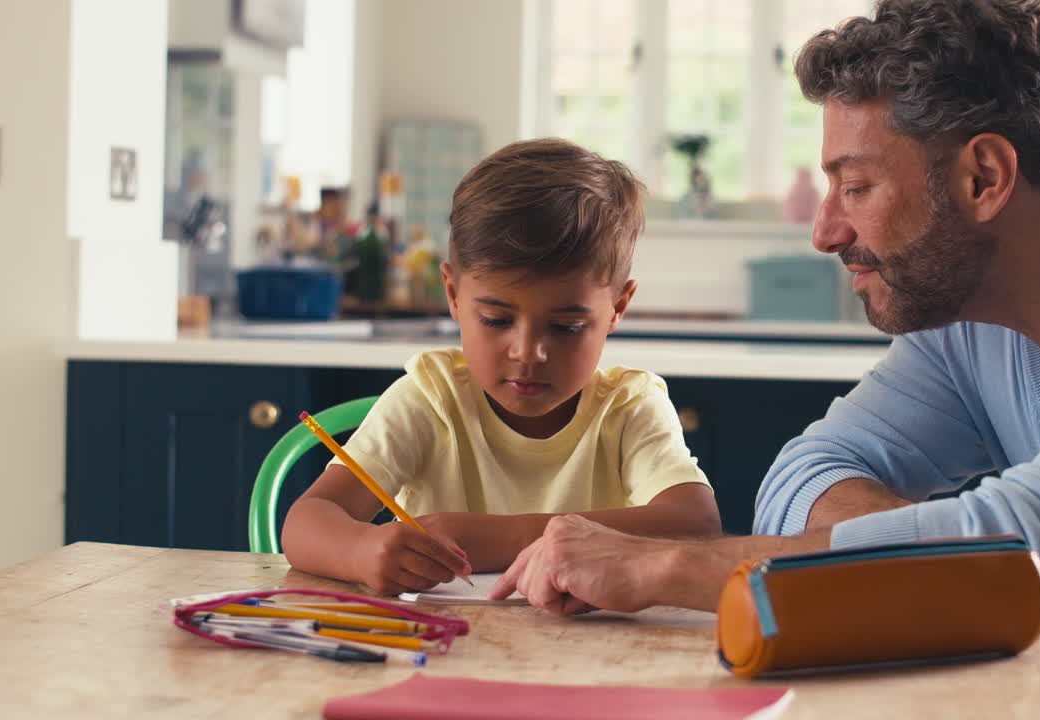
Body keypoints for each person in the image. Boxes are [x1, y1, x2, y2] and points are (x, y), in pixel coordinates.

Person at [489, 3, 1040, 719]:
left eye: (857, 187)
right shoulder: (976, 316)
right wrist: (951, 567)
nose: (825, 232)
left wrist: (668, 570)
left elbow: (1029, 553)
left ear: (984, 177)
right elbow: (804, 476)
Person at [282, 138, 722, 596]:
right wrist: (361, 550)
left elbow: (695, 522)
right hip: (443, 648)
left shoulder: (629, 408)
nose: (528, 352)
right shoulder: (429, 398)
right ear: (452, 295)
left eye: (567, 326)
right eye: (496, 320)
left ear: (618, 306)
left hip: (589, 655)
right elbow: (306, 523)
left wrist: (494, 537)